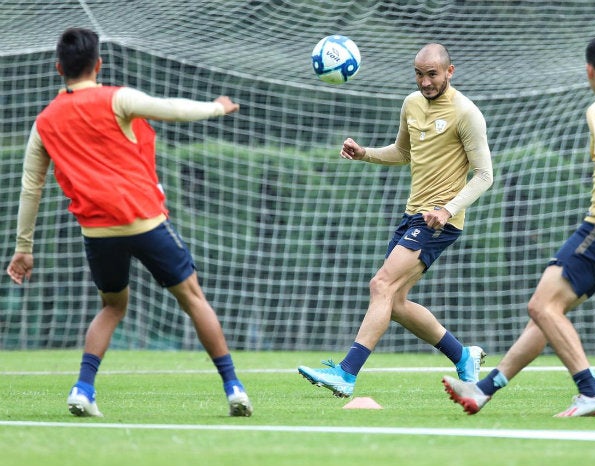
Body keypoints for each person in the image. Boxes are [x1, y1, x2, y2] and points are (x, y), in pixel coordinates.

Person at [5, 28, 253, 417]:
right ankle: (234, 388)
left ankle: (83, 389)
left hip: (98, 232)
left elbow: (30, 187)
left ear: (58, 69)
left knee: (112, 307)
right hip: (143, 222)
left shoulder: (44, 122)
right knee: (192, 298)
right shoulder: (116, 98)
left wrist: (23, 248)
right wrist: (217, 107)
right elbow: (173, 109)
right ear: (98, 65)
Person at [442, 34, 595, 417]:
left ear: (589, 70)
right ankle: (483, 389)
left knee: (541, 307)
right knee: (550, 312)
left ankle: (591, 391)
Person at [298, 43, 494, 397]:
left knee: (381, 286)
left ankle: (346, 373)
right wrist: (365, 154)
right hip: (413, 215)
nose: (424, 81)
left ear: (450, 71)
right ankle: (463, 356)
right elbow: (403, 152)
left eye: (432, 74)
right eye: (419, 74)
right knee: (396, 302)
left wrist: (447, 209)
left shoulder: (467, 113)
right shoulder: (411, 104)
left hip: (439, 221)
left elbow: (484, 175)